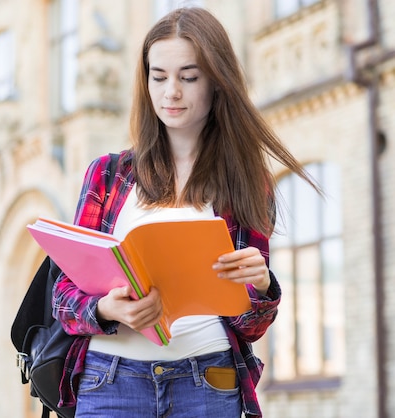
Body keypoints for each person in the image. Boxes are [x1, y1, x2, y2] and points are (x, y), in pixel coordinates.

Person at [52, 7, 319, 418]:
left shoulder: (247, 181)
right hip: (110, 381)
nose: (170, 92)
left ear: (217, 81)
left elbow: (250, 328)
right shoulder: (107, 175)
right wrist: (108, 308)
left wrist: (263, 287)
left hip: (208, 382)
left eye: (188, 77)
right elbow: (62, 296)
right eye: (158, 77)